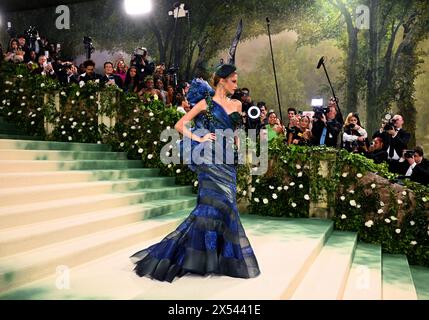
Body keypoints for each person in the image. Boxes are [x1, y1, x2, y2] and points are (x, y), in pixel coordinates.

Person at [130, 64, 260, 282]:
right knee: (211, 206)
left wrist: (237, 148)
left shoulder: (237, 104)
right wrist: (200, 138)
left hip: (228, 160)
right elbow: (180, 124)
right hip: (209, 160)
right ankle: (200, 258)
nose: (236, 86)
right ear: (222, 81)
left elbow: (237, 132)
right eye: (233, 81)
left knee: (227, 206)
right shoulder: (205, 104)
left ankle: (216, 257)